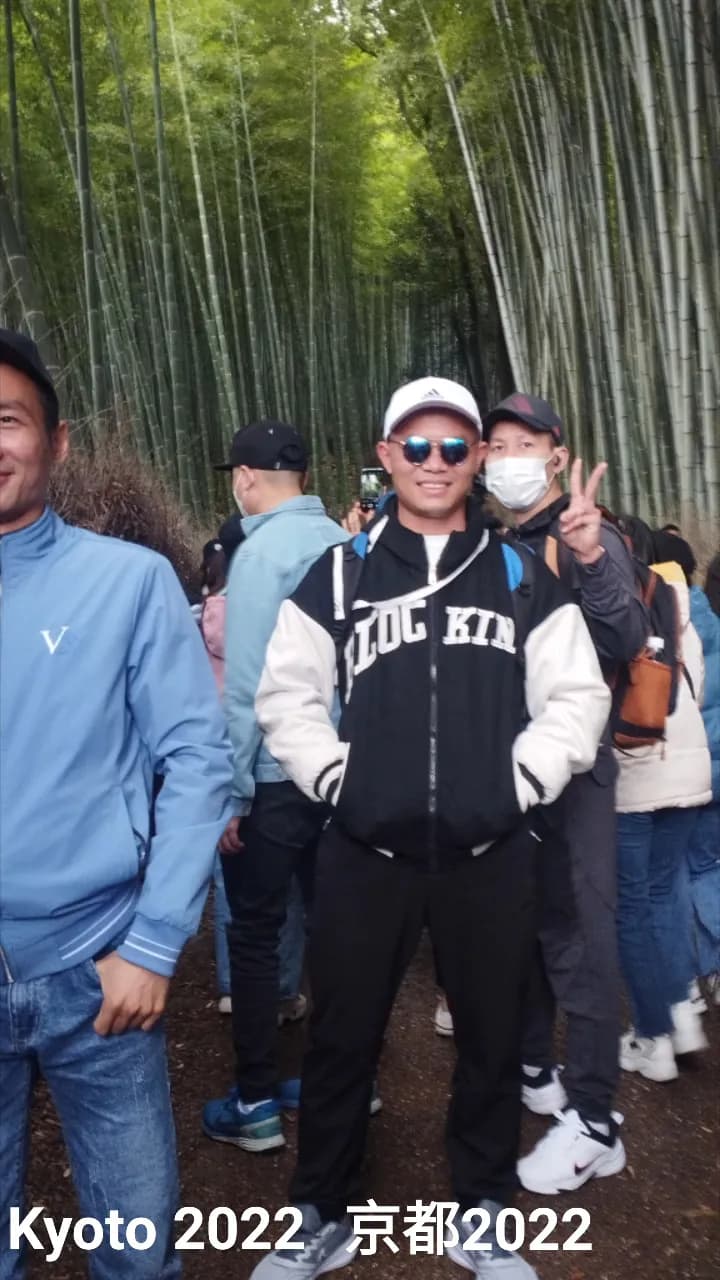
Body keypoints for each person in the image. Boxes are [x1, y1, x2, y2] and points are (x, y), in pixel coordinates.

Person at [247, 376, 610, 1279]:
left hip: (490, 851)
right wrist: (339, 777)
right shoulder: (340, 571)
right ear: (386, 457)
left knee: (491, 1036)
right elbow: (287, 696)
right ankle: (320, 1212)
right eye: (417, 447)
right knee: (343, 1035)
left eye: (454, 447)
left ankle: (482, 1210)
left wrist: (521, 781)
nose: (435, 463)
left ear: (479, 457)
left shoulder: (522, 572)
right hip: (367, 850)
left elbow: (577, 697)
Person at [0, 328, 233, 1279]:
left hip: (93, 969)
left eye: (6, 419)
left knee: (136, 1254)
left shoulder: (127, 582)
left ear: (55, 444)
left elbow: (200, 759)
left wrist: (151, 943)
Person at [481, 391, 646, 1194]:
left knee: (581, 935)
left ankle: (595, 1120)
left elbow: (625, 639)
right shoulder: (501, 542)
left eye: (526, 441)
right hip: (520, 774)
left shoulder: (588, 531)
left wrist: (588, 557)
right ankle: (541, 1075)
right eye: (497, 442)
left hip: (576, 775)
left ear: (555, 452)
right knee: (537, 927)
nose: (509, 455)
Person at [202, 420, 349, 1153]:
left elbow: (251, 686)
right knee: (336, 931)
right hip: (343, 775)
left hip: (273, 777)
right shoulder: (345, 545)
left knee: (255, 935)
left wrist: (231, 793)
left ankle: (256, 1101)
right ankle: (351, 1084)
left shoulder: (259, 556)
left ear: (247, 477)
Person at [613, 527, 711, 1081]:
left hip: (637, 767)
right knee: (664, 891)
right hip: (688, 760)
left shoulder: (608, 602)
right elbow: (692, 683)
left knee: (632, 906)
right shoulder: (675, 597)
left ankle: (653, 1040)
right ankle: (682, 1009)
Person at [672, 541, 720, 1006]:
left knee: (687, 870)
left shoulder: (677, 624)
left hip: (694, 766)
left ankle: (701, 971)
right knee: (707, 864)